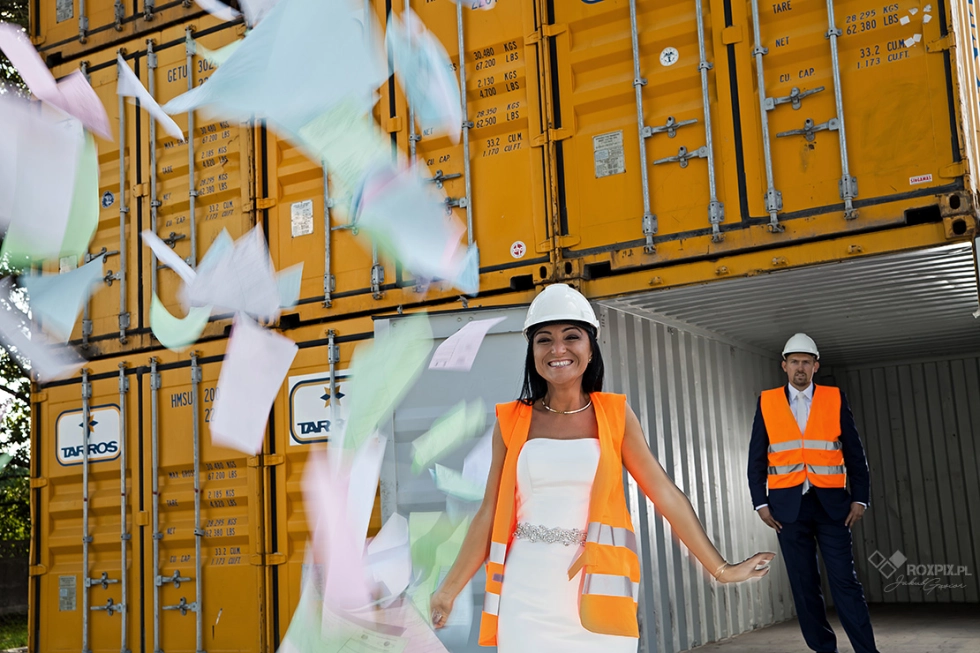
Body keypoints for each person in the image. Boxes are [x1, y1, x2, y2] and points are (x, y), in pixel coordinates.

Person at [430, 284, 774, 651]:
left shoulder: (614, 415)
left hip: (598, 588)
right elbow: (488, 513)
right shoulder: (512, 421)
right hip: (526, 592)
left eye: (571, 337)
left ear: (591, 348)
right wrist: (448, 590)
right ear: (532, 352)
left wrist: (720, 569)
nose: (557, 350)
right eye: (544, 340)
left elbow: (664, 493)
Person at [747, 333, 879, 653]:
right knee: (804, 586)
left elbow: (854, 453)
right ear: (784, 366)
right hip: (787, 510)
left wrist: (860, 498)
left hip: (833, 505)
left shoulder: (834, 398)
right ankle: (824, 649)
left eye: (806, 361)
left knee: (845, 583)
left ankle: (867, 650)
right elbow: (756, 457)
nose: (800, 368)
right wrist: (760, 503)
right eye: (794, 362)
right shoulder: (767, 401)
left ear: (816, 366)